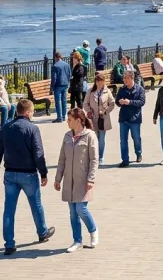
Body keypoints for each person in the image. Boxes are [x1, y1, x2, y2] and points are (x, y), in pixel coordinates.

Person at [0, 99, 55, 255]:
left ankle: (9, 243)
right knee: (36, 204)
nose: (32, 114)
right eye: (32, 112)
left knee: (9, 209)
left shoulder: (6, 127)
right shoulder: (32, 129)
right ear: (27, 112)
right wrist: (44, 173)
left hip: (10, 174)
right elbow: (38, 153)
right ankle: (42, 232)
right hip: (28, 174)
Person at [54, 108, 99, 253]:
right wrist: (58, 178)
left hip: (83, 180)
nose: (67, 122)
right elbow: (62, 159)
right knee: (73, 213)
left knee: (81, 209)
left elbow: (94, 160)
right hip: (69, 180)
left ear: (78, 121)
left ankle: (93, 231)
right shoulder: (67, 136)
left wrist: (91, 179)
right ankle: (77, 240)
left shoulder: (90, 136)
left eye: (70, 120)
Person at [116, 70, 146, 166]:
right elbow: (117, 102)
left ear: (132, 78)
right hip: (123, 118)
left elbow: (141, 102)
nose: (125, 80)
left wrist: (130, 102)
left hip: (135, 118)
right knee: (123, 140)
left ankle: (138, 153)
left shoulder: (140, 89)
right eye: (124, 78)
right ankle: (125, 160)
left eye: (127, 78)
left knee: (136, 138)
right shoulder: (122, 89)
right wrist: (120, 102)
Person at [84, 73, 115, 164]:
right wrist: (89, 110)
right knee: (94, 138)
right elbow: (85, 103)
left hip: (103, 118)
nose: (102, 83)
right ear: (96, 82)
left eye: (103, 82)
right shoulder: (90, 91)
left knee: (101, 138)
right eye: (100, 81)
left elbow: (112, 103)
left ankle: (101, 156)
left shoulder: (107, 91)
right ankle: (94, 156)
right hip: (93, 118)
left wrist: (106, 111)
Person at [51, 51, 71, 123]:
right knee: (64, 100)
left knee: (58, 101)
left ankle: (59, 117)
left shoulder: (55, 66)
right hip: (65, 84)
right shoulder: (66, 65)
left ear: (56, 57)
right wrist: (68, 82)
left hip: (58, 85)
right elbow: (69, 74)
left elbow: (54, 78)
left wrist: (52, 87)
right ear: (61, 57)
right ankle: (63, 116)